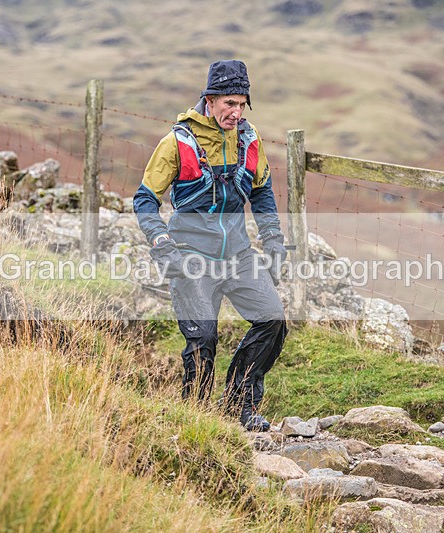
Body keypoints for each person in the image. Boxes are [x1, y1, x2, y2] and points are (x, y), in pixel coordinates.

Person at [134, 60, 288, 431]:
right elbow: (144, 199)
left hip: (237, 254)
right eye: (229, 104)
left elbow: (263, 193)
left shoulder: (249, 141)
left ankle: (240, 405)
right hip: (190, 256)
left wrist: (273, 239)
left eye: (242, 105)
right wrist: (161, 242)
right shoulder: (178, 142)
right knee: (203, 338)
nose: (236, 113)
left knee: (273, 320)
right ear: (210, 99)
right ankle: (197, 419)